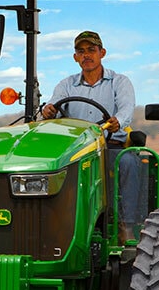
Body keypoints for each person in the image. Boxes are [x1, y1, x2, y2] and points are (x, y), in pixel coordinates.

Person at [41, 30, 146, 242]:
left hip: (109, 146)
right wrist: (48, 110)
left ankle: (126, 226)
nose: (86, 55)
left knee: (128, 162)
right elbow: (54, 103)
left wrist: (118, 120)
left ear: (102, 53)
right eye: (81, 51)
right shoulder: (66, 85)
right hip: (76, 151)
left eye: (91, 50)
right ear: (75, 57)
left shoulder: (119, 81)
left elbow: (126, 109)